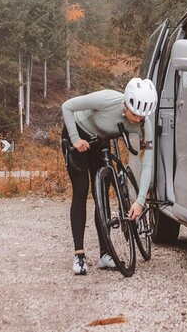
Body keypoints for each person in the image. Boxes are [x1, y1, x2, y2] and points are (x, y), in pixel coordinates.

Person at [61, 77, 157, 275]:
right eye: (134, 114)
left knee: (102, 196)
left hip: (101, 140)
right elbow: (67, 106)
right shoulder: (106, 100)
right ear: (126, 103)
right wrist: (75, 139)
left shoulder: (144, 124)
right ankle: (79, 255)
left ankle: (106, 254)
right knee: (81, 189)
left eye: (142, 116)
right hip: (78, 134)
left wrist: (139, 201)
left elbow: (147, 163)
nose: (137, 119)